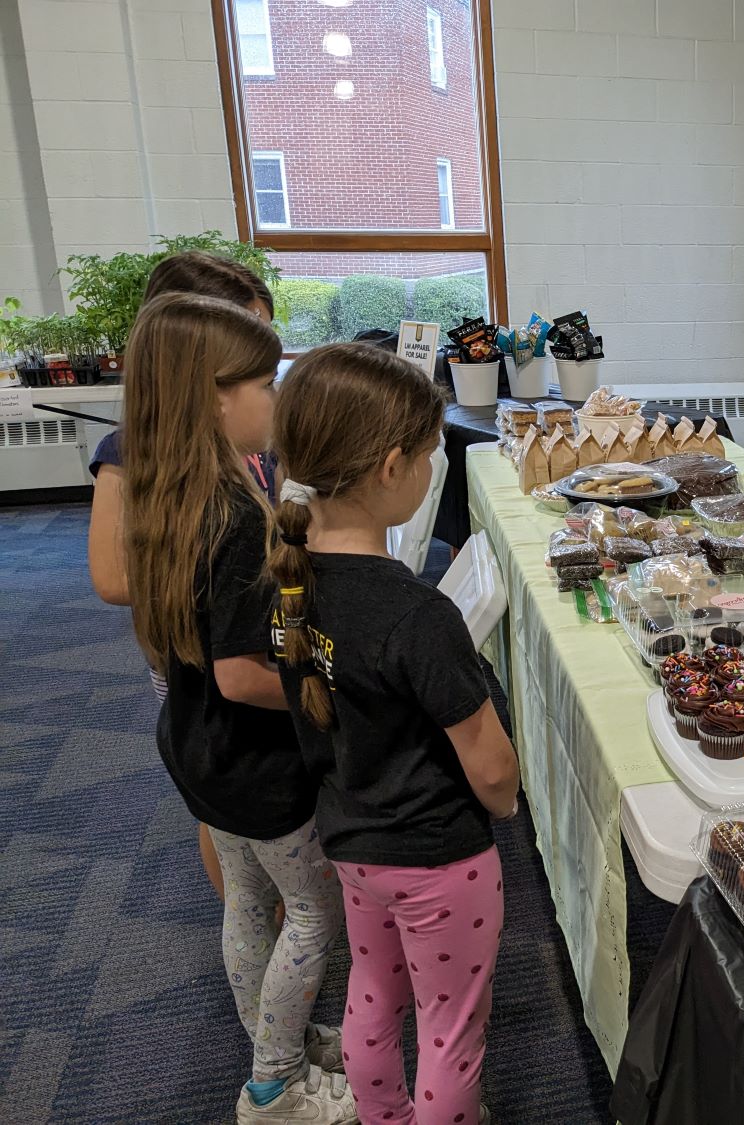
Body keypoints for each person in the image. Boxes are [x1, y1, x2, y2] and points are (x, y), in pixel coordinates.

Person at [267, 342, 520, 1125]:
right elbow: (490, 767)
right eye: (431, 451)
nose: (434, 463)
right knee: (450, 1028)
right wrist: (506, 804)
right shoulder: (417, 615)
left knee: (372, 997)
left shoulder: (289, 586)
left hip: (352, 839)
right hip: (441, 858)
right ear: (390, 467)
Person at [121, 294, 352, 1123]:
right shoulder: (226, 515)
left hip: (197, 748)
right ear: (216, 396)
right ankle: (274, 1083)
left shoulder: (171, 492)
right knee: (317, 913)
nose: (276, 399)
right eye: (266, 381)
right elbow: (243, 673)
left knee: (249, 902)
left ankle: (272, 1040)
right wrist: (333, 671)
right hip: (253, 759)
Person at [88, 251, 280, 901]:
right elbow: (113, 577)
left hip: (249, 627)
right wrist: (223, 566)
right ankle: (250, 909)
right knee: (221, 791)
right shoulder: (129, 452)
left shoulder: (243, 443)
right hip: (198, 648)